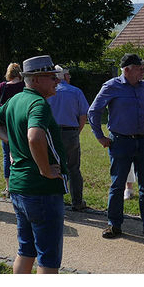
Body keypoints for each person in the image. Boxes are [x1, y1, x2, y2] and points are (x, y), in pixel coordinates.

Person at [0, 55, 67, 274]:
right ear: (37, 79)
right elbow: (35, 137)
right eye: (52, 77)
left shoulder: (16, 99)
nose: (57, 81)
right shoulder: (38, 104)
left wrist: (12, 141)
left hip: (19, 186)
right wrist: (45, 169)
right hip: (41, 189)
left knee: (26, 250)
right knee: (48, 259)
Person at [88, 53, 144, 241]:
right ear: (127, 69)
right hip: (120, 141)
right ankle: (114, 225)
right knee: (118, 185)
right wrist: (100, 136)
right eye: (139, 67)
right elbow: (94, 111)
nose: (143, 70)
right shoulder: (111, 86)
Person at [47, 65, 89, 211]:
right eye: (68, 75)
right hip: (71, 132)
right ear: (63, 76)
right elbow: (83, 116)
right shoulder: (76, 92)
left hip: (51, 134)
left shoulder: (47, 93)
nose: (70, 77)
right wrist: (76, 132)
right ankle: (77, 202)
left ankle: (54, 200)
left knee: (52, 166)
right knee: (73, 168)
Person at [0, 62, 25, 196]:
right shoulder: (24, 86)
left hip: (5, 123)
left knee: (7, 154)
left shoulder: (3, 86)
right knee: (22, 152)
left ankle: (8, 186)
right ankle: (22, 183)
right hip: (21, 122)